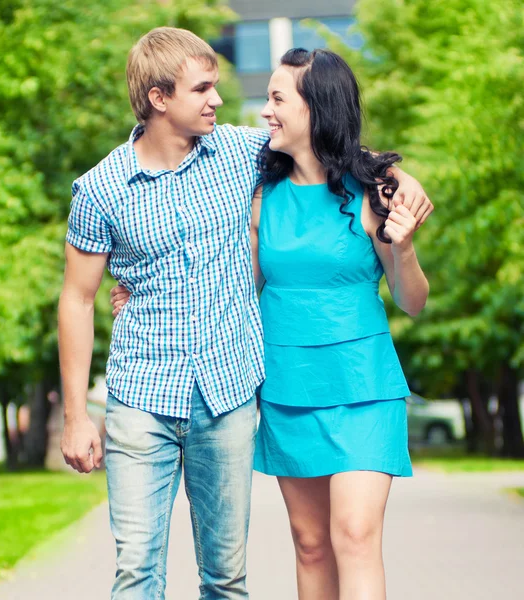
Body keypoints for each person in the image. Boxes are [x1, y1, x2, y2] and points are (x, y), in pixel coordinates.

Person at [62, 26, 430, 600]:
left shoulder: (310, 174)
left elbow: (408, 291)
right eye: (204, 88)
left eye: (278, 98)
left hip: (301, 386)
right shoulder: (138, 186)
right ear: (160, 98)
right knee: (285, 548)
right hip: (218, 386)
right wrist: (143, 298)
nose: (255, 108)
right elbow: (226, 275)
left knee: (307, 551)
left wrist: (397, 187)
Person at [251, 49, 431, 600]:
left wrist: (403, 251)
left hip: (363, 385)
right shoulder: (260, 193)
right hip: (288, 386)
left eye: (278, 98)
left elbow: (412, 301)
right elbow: (234, 288)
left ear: (317, 108)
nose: (266, 111)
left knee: (354, 534)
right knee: (309, 543)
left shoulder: (376, 192)